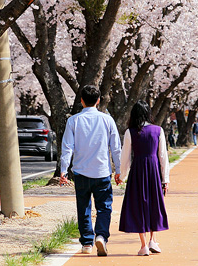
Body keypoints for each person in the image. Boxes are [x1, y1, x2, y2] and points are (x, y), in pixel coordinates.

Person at [59, 85, 122, 257]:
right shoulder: (107, 120)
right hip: (102, 172)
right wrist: (119, 171)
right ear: (99, 100)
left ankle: (87, 242)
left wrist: (63, 171)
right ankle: (101, 235)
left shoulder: (73, 121)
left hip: (80, 172)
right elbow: (116, 147)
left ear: (81, 100)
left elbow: (67, 148)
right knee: (104, 208)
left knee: (83, 207)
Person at [119, 101, 170, 256]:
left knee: (138, 204)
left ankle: (143, 245)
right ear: (148, 113)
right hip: (154, 170)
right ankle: (153, 240)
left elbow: (125, 157)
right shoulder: (158, 130)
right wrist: (165, 179)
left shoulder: (130, 132)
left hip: (138, 171)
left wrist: (122, 176)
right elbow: (163, 156)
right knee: (154, 203)